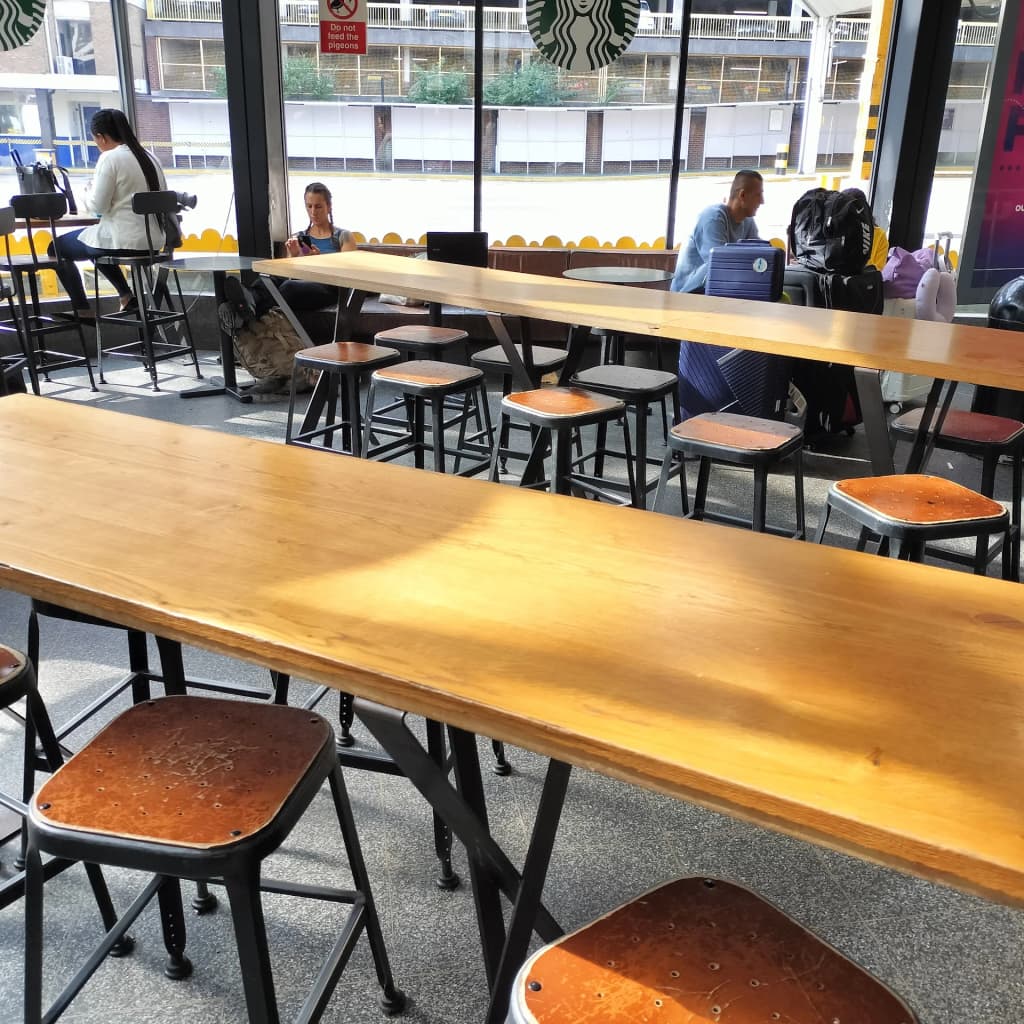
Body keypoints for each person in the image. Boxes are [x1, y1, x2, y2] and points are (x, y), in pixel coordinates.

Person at [50, 108, 167, 313]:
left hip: (123, 241)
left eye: (95, 140)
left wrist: (86, 193)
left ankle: (82, 310)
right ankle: (126, 296)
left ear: (101, 137)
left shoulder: (110, 158)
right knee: (93, 242)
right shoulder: (149, 157)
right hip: (154, 242)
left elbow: (98, 207)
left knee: (56, 248)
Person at [670, 169, 764, 294]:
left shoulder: (748, 222)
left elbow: (759, 257)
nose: (762, 201)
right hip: (688, 295)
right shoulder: (713, 218)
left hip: (718, 293)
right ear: (742, 195)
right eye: (758, 195)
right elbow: (719, 266)